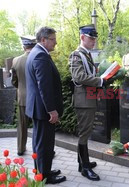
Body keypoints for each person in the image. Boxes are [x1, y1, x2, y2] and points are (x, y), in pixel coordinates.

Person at [25, 26, 66, 184]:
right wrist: (52, 110)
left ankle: (42, 170)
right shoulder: (40, 56)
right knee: (44, 143)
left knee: (40, 142)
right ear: (43, 40)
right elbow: (44, 87)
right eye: (53, 39)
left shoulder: (36, 53)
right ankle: (45, 177)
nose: (55, 43)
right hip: (44, 110)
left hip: (38, 108)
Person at [69, 24, 107, 181]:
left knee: (86, 132)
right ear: (82, 37)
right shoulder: (76, 55)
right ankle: (85, 168)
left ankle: (82, 162)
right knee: (84, 133)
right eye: (91, 38)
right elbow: (79, 77)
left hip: (89, 99)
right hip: (83, 100)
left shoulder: (88, 55)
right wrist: (101, 81)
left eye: (94, 38)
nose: (93, 41)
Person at [11, 36, 36, 156]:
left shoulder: (16, 61)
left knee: (22, 125)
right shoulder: (38, 58)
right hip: (36, 98)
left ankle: (20, 149)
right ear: (34, 45)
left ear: (24, 46)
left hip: (22, 96)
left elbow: (14, 81)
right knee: (38, 126)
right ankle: (38, 150)